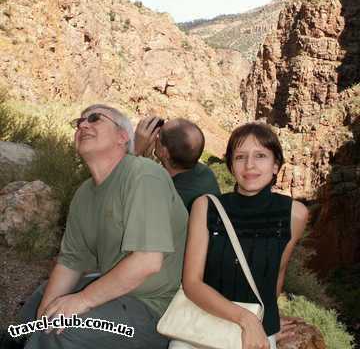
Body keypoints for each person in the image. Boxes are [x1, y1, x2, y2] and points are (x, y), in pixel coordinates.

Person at [19, 104, 188, 349]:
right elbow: (70, 262)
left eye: (95, 119)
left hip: (154, 310)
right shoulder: (84, 194)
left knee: (61, 332)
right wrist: (43, 317)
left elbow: (147, 261)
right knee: (39, 305)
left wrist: (82, 300)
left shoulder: (144, 175)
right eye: (79, 122)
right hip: (117, 294)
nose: (83, 125)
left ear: (122, 137)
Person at [174, 122, 308, 349]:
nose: (250, 165)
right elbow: (191, 283)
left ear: (276, 165)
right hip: (199, 330)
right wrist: (245, 319)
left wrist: (269, 320)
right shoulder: (206, 207)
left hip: (255, 338)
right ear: (230, 166)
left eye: (261, 156)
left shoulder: (295, 213)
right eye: (240, 157)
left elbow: (277, 275)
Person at [134, 116, 220, 211]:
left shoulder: (167, 197)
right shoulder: (205, 173)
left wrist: (135, 151)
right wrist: (146, 160)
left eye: (159, 135)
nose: (156, 137)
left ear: (164, 152)